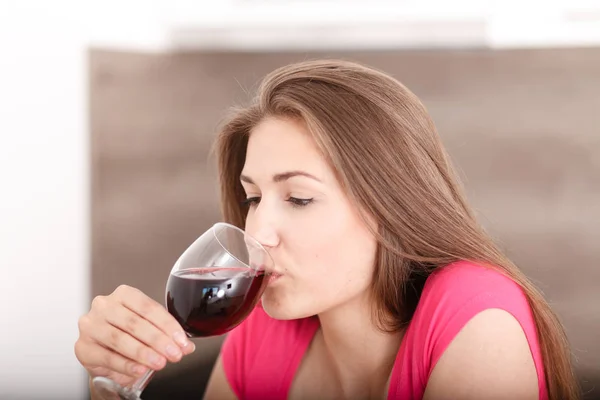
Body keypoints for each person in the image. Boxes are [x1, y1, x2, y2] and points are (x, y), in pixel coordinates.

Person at [75, 59, 580, 400]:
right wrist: (112, 381)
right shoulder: (261, 329)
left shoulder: (474, 315)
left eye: (298, 198)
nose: (259, 230)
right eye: (253, 197)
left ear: (391, 205)